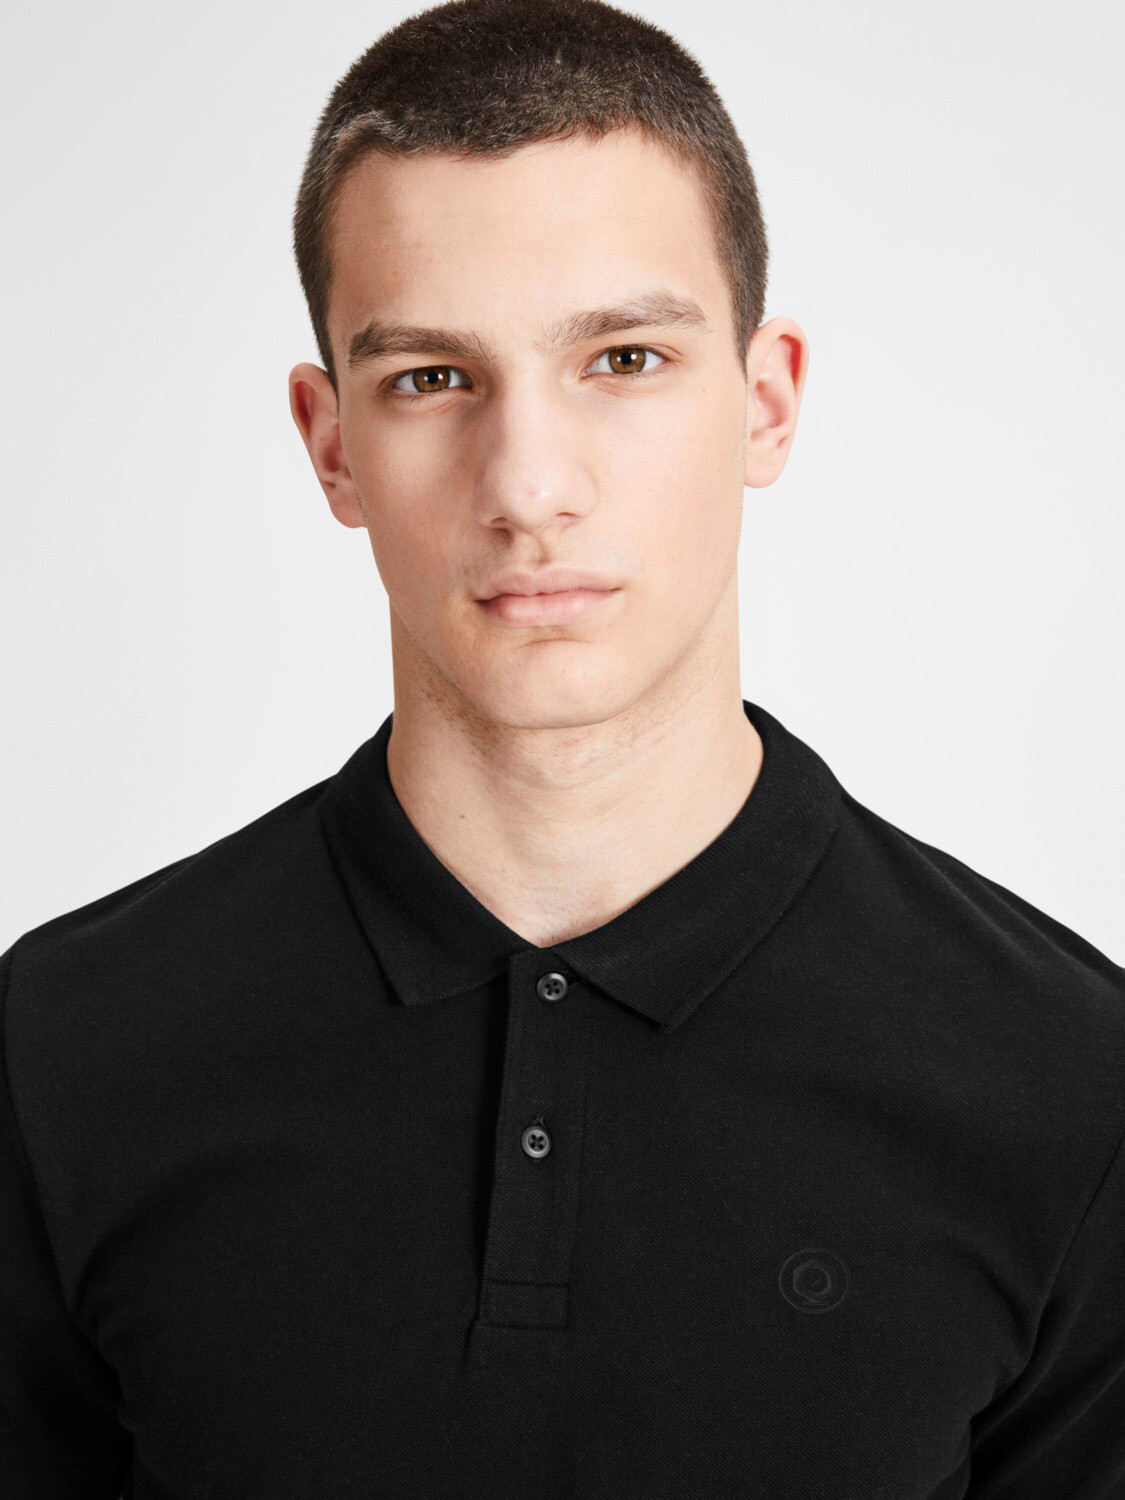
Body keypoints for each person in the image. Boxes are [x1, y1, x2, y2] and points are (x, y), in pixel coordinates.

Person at [2, 0, 1122, 1495]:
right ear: (330, 444)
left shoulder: (1070, 1084)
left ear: (766, 401)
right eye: (429, 377)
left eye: (624, 358)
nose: (528, 485)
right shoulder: (62, 1051)